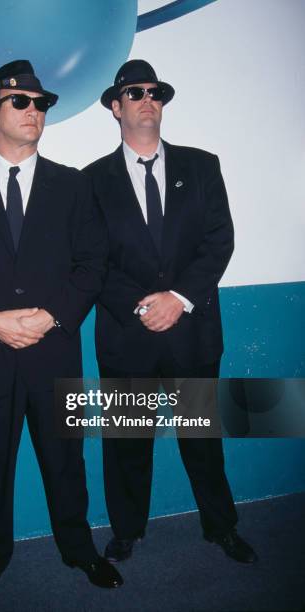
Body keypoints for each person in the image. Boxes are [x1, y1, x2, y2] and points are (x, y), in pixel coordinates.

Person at [0, 59, 122, 610]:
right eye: (21, 102)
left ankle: (79, 550)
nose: (34, 111)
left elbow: (92, 264)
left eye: (41, 104)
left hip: (53, 352)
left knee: (66, 463)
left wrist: (49, 316)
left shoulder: (73, 186)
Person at [84, 60, 257, 565]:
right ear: (116, 108)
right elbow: (89, 260)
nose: (146, 99)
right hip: (126, 336)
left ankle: (221, 527)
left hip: (192, 333)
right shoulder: (90, 181)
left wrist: (177, 299)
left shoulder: (203, 166)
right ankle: (126, 531)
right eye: (133, 93)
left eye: (154, 92)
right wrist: (142, 307)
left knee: (203, 441)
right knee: (127, 445)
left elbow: (218, 241)